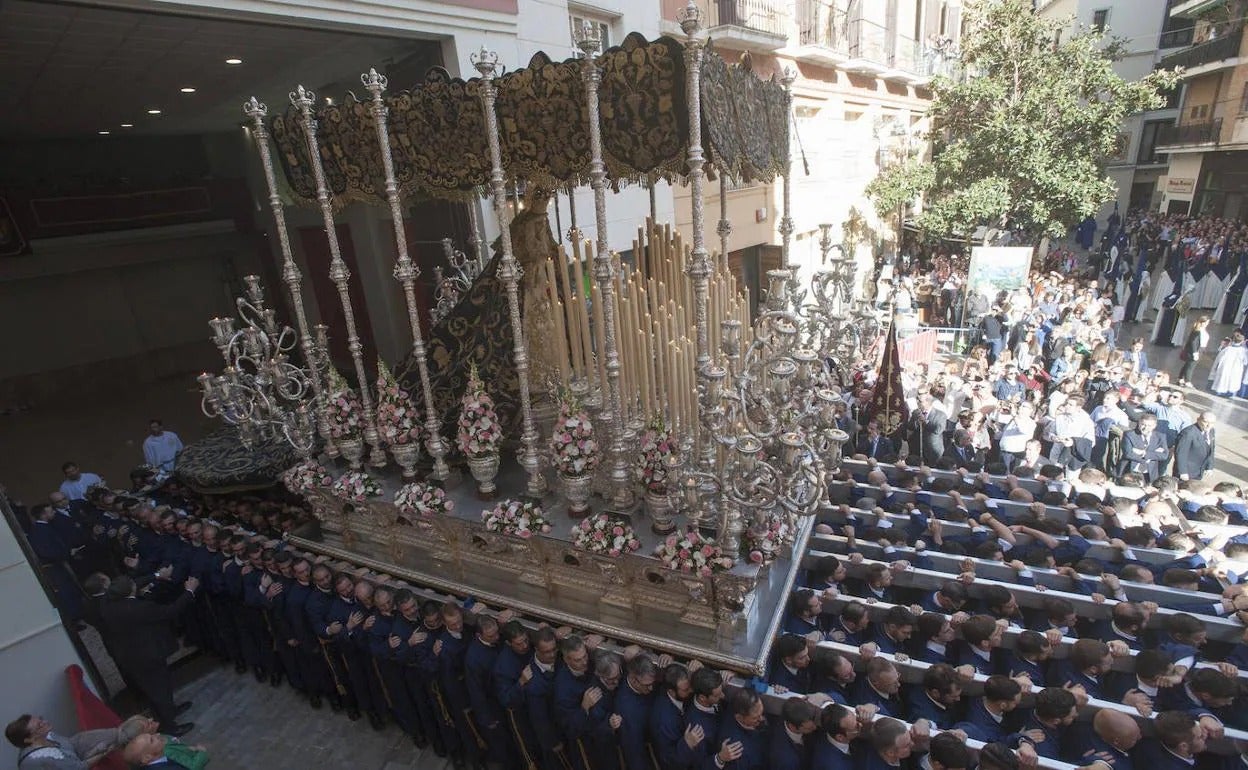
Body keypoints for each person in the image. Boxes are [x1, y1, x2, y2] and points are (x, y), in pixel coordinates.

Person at [100, 575, 198, 737]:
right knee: (160, 690)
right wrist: (189, 591)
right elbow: (170, 611)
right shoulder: (139, 608)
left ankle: (170, 711)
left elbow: (132, 584)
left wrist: (156, 576)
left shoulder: (107, 605)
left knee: (155, 688)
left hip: (130, 655)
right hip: (147, 655)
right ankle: (169, 726)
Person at [1173, 411, 1216, 482]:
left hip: (1199, 470)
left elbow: (1211, 449)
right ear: (1198, 419)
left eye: (1212, 423)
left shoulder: (1211, 430)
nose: (1208, 425)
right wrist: (1182, 471)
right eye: (1205, 422)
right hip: (1187, 471)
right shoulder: (1188, 433)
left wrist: (1210, 466)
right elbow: (1181, 453)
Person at [1209, 331, 1247, 396]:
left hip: (1226, 368)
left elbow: (1218, 358)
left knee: (1223, 380)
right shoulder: (1243, 351)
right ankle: (1230, 393)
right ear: (1241, 342)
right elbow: (1245, 362)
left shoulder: (1227, 349)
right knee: (1232, 381)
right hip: (1236, 370)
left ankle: (1220, 392)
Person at [1176, 315, 1210, 388]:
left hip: (1199, 349)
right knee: (1191, 366)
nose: (1207, 324)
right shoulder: (1198, 331)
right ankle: (1187, 381)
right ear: (1203, 322)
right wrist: (1195, 352)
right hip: (1196, 350)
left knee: (1187, 365)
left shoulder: (1199, 330)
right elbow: (1193, 342)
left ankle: (1180, 378)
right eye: (1206, 322)